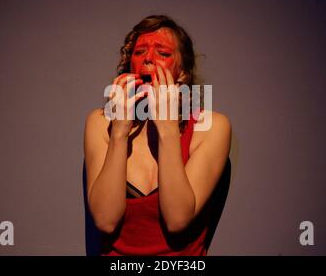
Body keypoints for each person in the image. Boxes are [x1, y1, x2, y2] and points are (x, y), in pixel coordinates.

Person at [83, 15, 232, 256]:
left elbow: (177, 220)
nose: (149, 58)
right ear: (130, 64)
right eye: (140, 52)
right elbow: (104, 220)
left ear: (182, 73)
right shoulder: (101, 123)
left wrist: (167, 128)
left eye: (162, 53)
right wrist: (119, 132)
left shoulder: (212, 126)